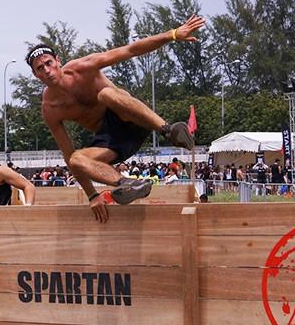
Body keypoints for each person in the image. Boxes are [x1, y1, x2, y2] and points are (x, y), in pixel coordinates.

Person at [26, 14, 205, 222]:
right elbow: (69, 155)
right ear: (35, 75)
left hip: (132, 118)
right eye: (40, 68)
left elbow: (130, 50)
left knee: (106, 94)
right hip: (113, 141)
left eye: (48, 63)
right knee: (76, 159)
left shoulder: (84, 67)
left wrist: (172, 34)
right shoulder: (50, 109)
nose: (47, 71)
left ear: (58, 61)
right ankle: (127, 184)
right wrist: (92, 196)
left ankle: (167, 130)